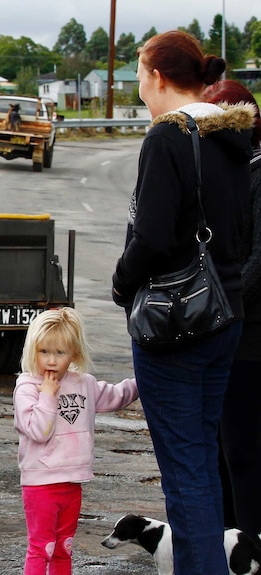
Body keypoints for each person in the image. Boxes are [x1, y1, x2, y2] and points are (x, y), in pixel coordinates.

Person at [111, 30, 254, 575]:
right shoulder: (233, 135)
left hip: (175, 322)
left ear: (159, 77)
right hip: (225, 314)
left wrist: (122, 285)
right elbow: (236, 231)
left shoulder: (168, 138)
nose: (140, 85)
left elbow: (150, 237)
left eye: (141, 74)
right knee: (201, 462)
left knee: (185, 469)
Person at [14, 307, 138, 575]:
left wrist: (143, 381)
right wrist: (48, 396)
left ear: (74, 354)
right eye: (44, 351)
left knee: (63, 548)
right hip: (40, 484)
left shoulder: (84, 383)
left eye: (60, 352)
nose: (51, 360)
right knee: (41, 548)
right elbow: (38, 431)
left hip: (72, 482)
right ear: (32, 349)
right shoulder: (27, 387)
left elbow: (117, 396)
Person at [201, 79, 261, 536]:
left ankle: (249, 540)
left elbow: (257, 260)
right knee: (222, 446)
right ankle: (227, 538)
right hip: (230, 325)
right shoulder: (232, 170)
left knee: (241, 449)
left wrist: (220, 302)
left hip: (249, 330)